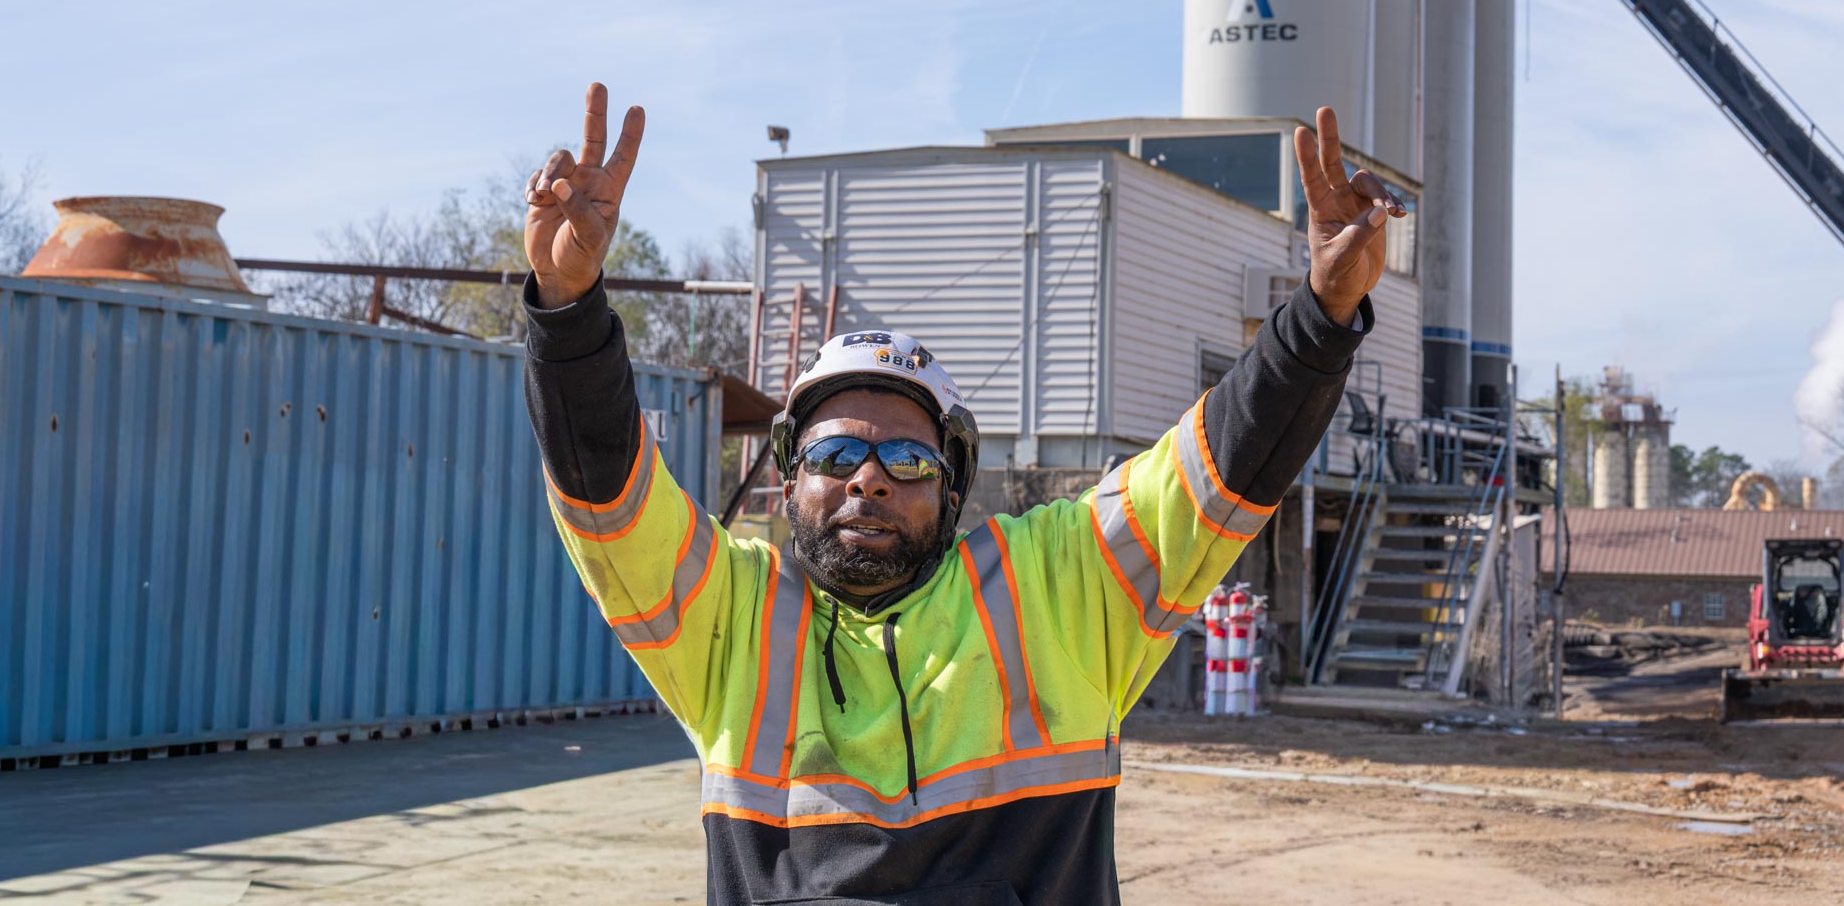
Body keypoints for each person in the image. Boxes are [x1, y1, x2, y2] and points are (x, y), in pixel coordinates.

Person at [520, 83, 1404, 904]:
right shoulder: (731, 619)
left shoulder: (1056, 591)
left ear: (951, 492)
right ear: (790, 480)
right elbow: (608, 496)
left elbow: (1213, 472)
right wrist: (567, 306)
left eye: (907, 460)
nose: (868, 477)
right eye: (835, 454)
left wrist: (1320, 315)